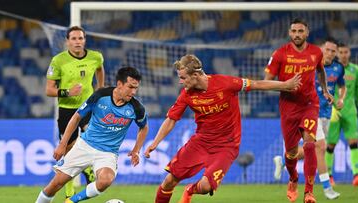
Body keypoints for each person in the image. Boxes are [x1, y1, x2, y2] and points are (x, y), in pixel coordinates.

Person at [144, 54, 302, 203]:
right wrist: (155, 143)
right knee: (169, 181)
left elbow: (256, 84)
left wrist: (285, 85)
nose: (180, 81)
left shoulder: (226, 83)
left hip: (227, 146)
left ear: (195, 75)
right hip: (201, 143)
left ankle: (190, 190)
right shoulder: (186, 94)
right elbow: (171, 119)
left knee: (205, 187)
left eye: (183, 77)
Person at [35, 67, 148, 203]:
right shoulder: (101, 96)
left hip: (108, 153)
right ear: (119, 84)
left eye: (136, 88)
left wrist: (136, 150)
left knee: (105, 180)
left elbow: (144, 128)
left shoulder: (136, 108)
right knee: (55, 184)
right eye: (130, 87)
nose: (133, 92)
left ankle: (72, 201)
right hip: (84, 146)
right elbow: (76, 117)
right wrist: (63, 144)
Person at [264, 18, 334, 203]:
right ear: (289, 33)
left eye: (300, 31)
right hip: (288, 107)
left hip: (310, 104)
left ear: (307, 33)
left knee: (310, 145)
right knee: (291, 154)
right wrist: (285, 85)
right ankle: (293, 178)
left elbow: (320, 72)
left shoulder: (316, 52)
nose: (297, 34)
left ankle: (309, 192)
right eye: (294, 31)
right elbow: (266, 80)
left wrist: (325, 91)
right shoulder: (280, 54)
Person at [273, 37, 346, 200]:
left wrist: (340, 98)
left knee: (310, 149)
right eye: (327, 49)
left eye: (334, 51)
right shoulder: (308, 64)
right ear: (321, 49)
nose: (330, 53)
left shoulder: (338, 68)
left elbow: (342, 86)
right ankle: (326, 188)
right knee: (319, 146)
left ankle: (285, 161)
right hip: (310, 109)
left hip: (326, 113)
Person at [45, 26, 105, 197]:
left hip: (87, 107)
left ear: (84, 40)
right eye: (74, 39)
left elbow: (100, 69)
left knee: (92, 141)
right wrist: (67, 92)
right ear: (67, 41)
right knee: (68, 150)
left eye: (80, 38)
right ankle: (70, 191)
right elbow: (49, 90)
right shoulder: (58, 61)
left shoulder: (96, 57)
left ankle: (89, 172)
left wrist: (99, 89)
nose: (77, 42)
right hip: (66, 109)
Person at [325, 42, 358, 186]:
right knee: (331, 144)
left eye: (346, 52)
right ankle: (329, 176)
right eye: (341, 52)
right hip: (333, 112)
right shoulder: (333, 69)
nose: (344, 55)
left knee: (353, 143)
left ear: (349, 53)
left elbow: (357, 91)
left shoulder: (356, 70)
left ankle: (356, 175)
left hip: (350, 111)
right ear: (337, 53)